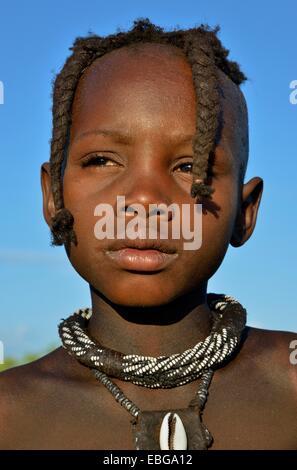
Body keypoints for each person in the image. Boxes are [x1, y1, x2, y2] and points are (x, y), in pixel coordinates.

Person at [0, 18, 296, 450]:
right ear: (53, 197)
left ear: (245, 213)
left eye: (190, 167)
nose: (142, 199)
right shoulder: (9, 415)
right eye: (102, 160)